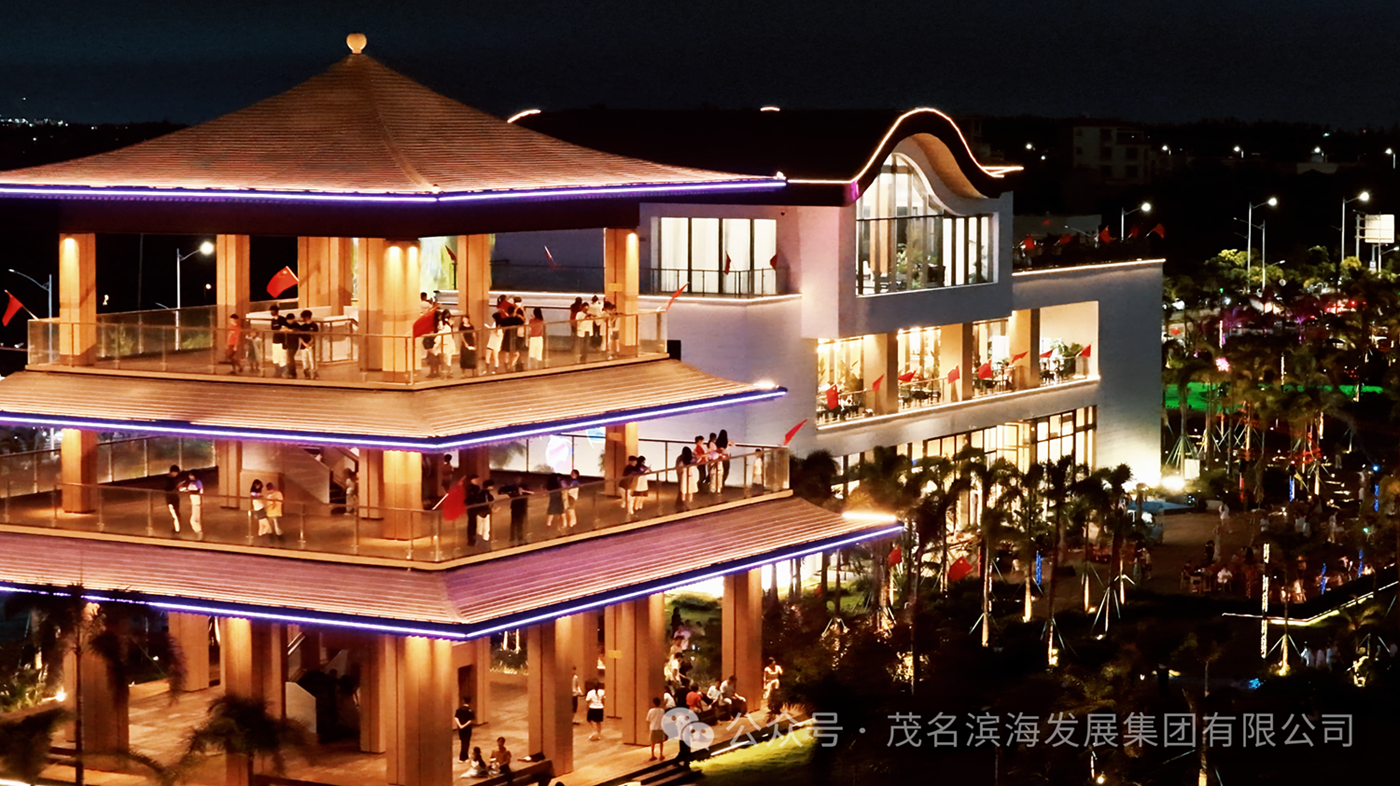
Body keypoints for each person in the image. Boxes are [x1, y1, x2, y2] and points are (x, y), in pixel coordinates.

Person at [501, 476, 533, 545]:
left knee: (520, 523)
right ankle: (513, 537)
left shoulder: (524, 486)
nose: (517, 480)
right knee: (514, 523)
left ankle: (520, 537)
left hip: (522, 506)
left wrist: (523, 491)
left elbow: (532, 492)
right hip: (515, 506)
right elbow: (502, 492)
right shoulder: (512, 487)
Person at [268, 305, 289, 377]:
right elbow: (273, 329)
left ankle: (284, 372)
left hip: (282, 341)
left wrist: (281, 330)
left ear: (276, 311)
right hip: (275, 341)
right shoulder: (273, 320)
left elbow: (284, 328)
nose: (271, 312)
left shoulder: (282, 319)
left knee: (282, 357)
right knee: (275, 357)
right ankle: (277, 371)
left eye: (272, 311)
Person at [182, 472, 204, 540]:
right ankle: (199, 534)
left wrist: (188, 490)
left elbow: (198, 490)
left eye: (191, 476)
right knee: (196, 519)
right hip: (193, 503)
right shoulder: (191, 482)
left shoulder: (198, 482)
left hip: (197, 503)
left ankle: (199, 532)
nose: (190, 477)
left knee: (193, 520)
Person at [454, 698, 475, 762]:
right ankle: (463, 757)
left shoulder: (459, 709)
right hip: (467, 728)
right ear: (470, 702)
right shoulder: (470, 710)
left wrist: (460, 725)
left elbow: (456, 718)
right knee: (466, 742)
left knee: (463, 741)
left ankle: (465, 756)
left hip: (460, 729)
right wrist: (464, 726)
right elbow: (470, 720)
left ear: (463, 701)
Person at [164, 465, 183, 532]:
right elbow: (168, 489)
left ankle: (177, 528)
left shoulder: (174, 479)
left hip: (175, 498)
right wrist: (177, 488)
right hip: (171, 499)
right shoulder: (168, 480)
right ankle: (177, 529)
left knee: (176, 514)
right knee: (175, 515)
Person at [569, 296, 588, 360]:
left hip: (572, 322)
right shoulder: (580, 307)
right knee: (579, 337)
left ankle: (572, 348)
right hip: (578, 323)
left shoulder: (572, 306)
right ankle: (578, 349)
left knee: (574, 335)